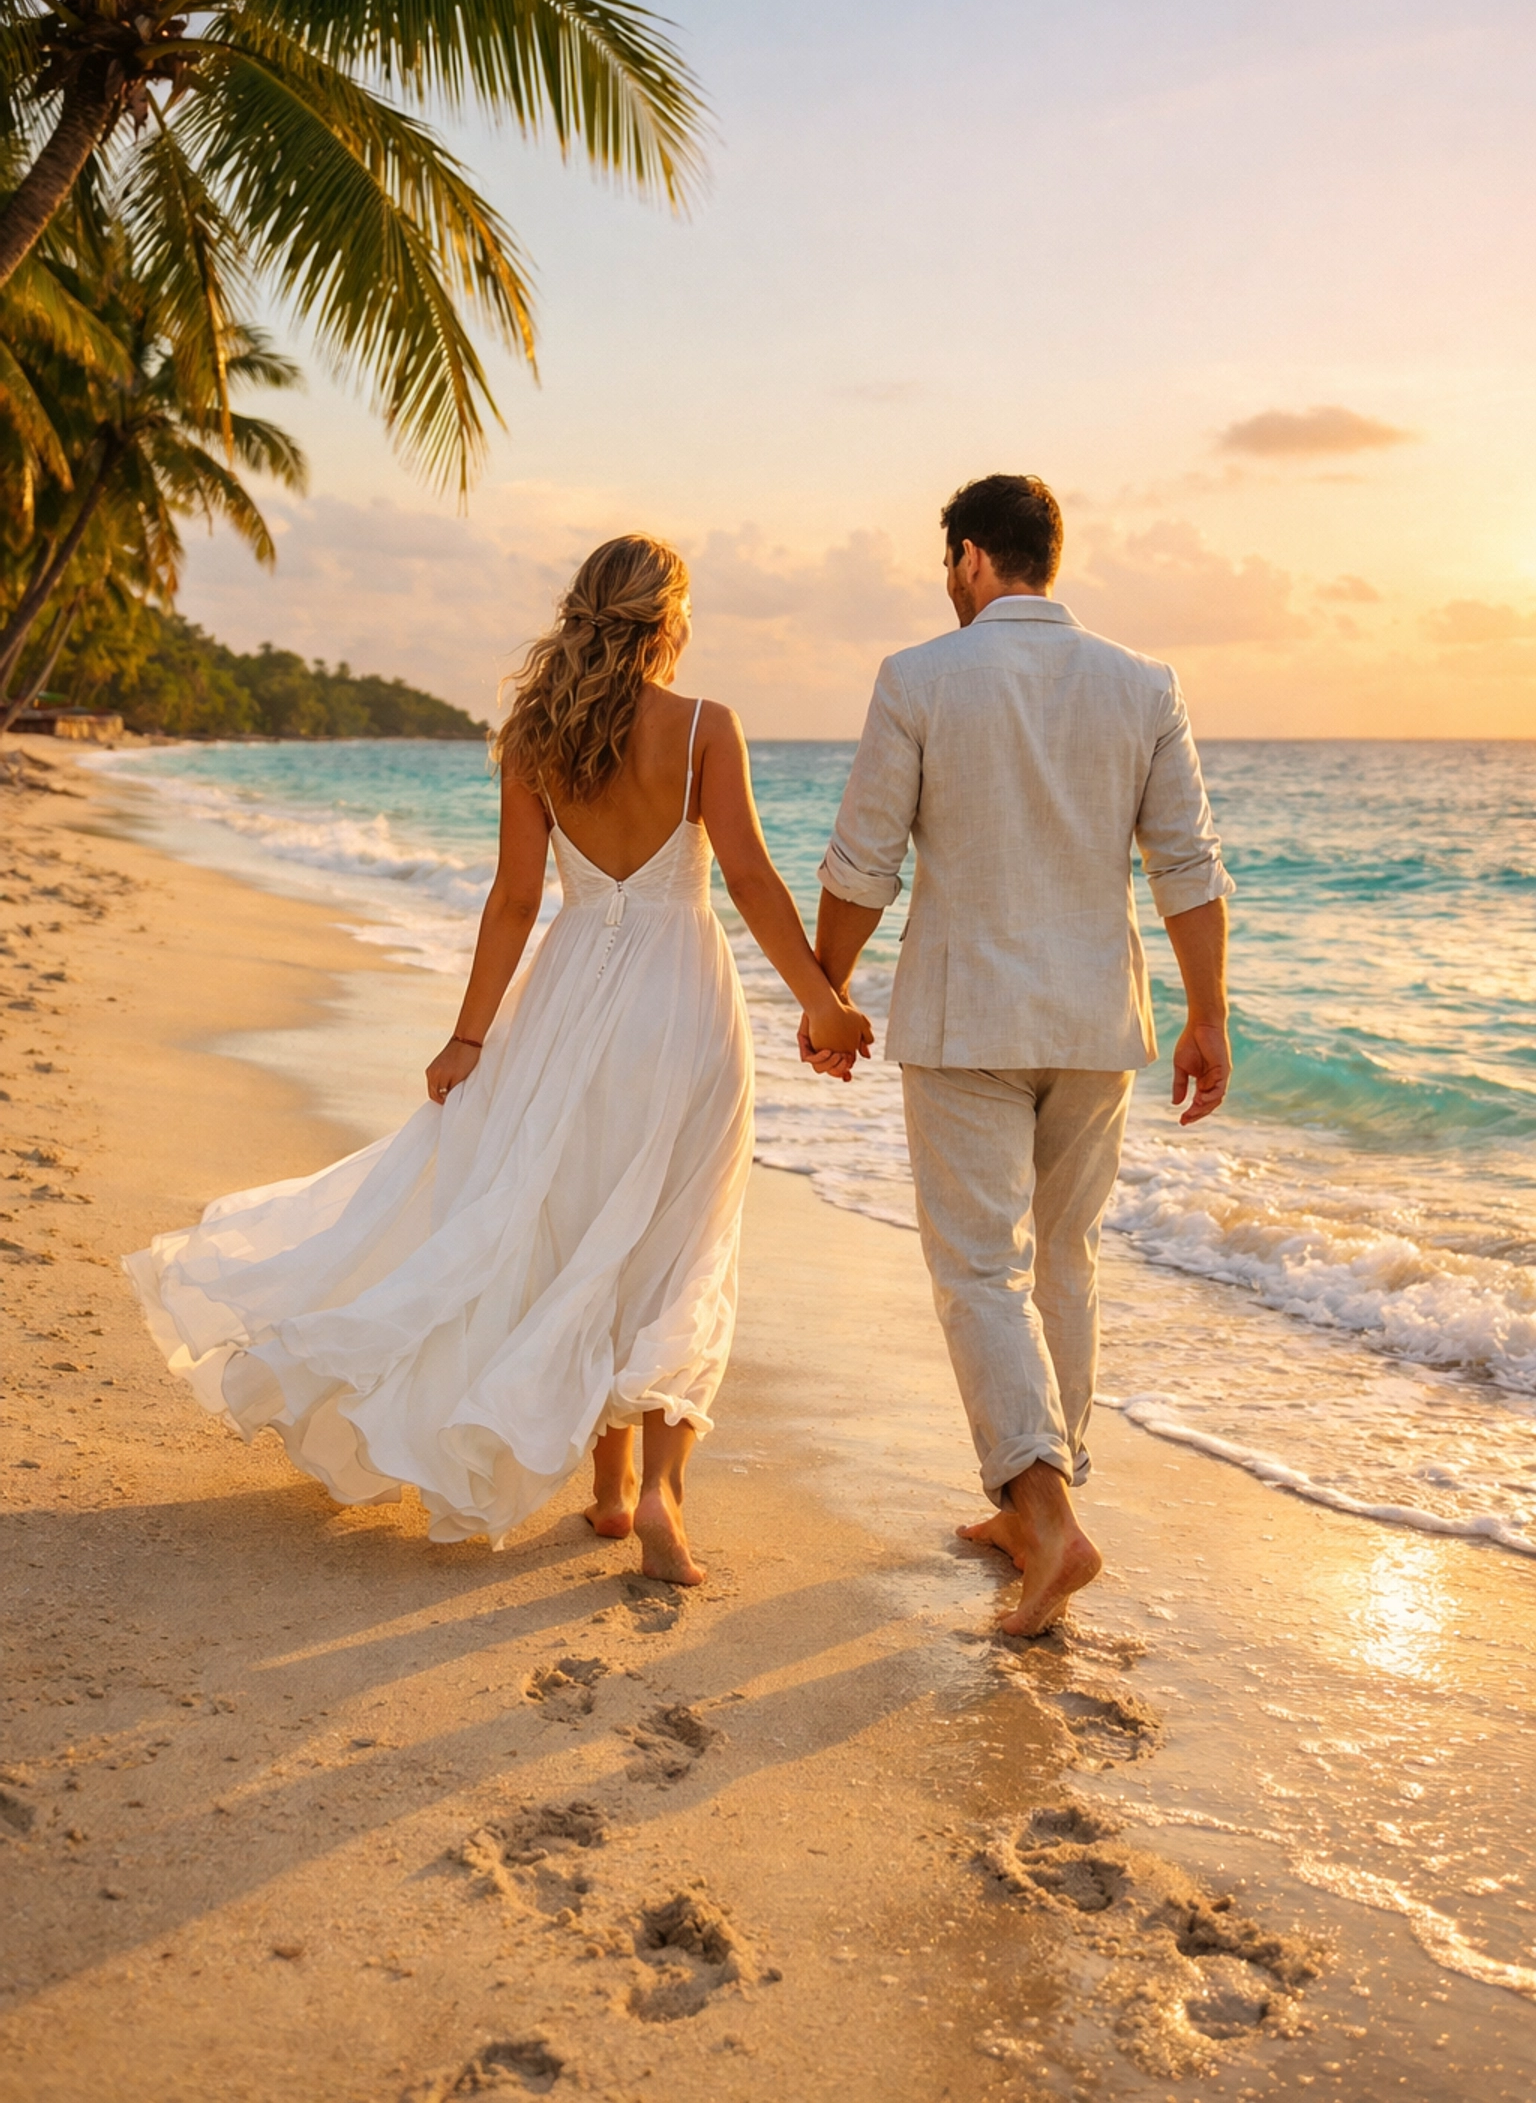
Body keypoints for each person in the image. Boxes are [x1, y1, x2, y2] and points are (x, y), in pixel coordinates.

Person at [128, 535, 871, 1584]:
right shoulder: (706, 727)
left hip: (566, 1004)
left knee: (579, 1229)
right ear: (668, 623)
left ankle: (610, 1497)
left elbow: (516, 900)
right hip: (681, 1009)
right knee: (677, 1240)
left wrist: (468, 1036)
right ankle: (659, 1491)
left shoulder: (535, 734)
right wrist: (823, 1005)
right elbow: (748, 877)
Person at [801, 474, 1233, 1635]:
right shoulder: (1143, 683)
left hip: (967, 1020)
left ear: (973, 558)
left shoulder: (919, 677)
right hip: (1097, 1025)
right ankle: (1040, 1498)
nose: (948, 584)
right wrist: (1210, 1016)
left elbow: (863, 863)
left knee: (981, 1272)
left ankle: (1040, 1515)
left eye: (951, 564)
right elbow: (1186, 867)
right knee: (1067, 1263)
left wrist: (827, 988)